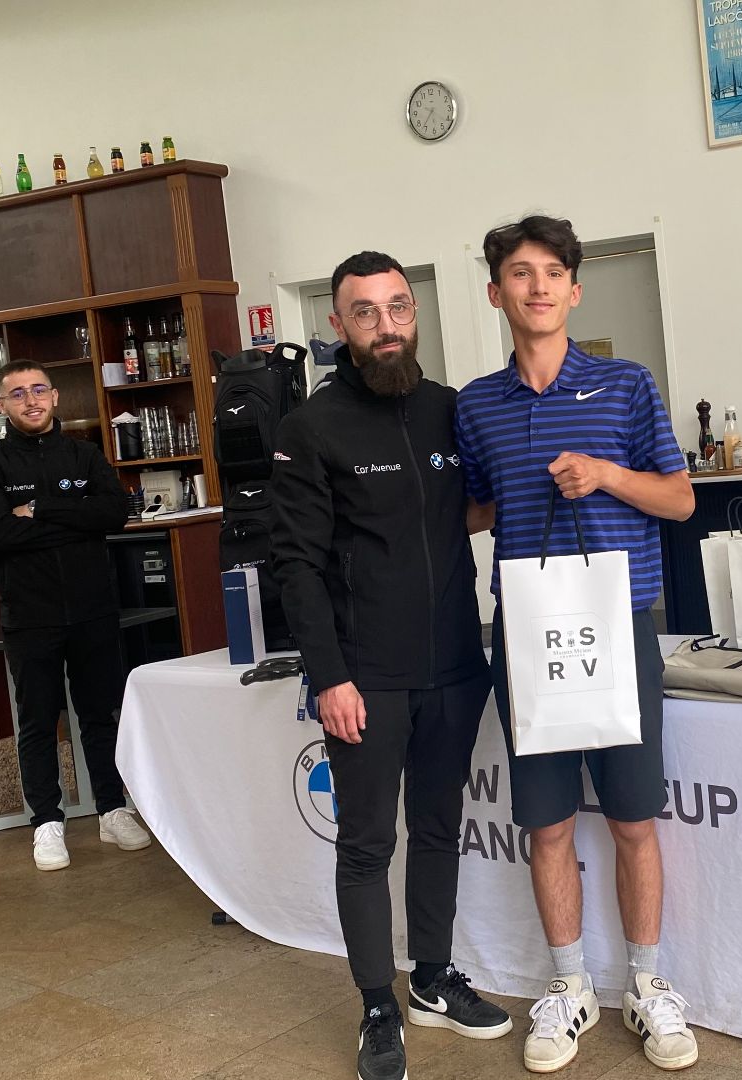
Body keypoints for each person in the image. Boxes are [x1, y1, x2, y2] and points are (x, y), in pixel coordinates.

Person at [455, 215, 700, 1074]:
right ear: (497, 293)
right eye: (521, 273)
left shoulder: (625, 385)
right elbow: (472, 509)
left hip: (617, 627)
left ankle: (648, 984)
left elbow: (679, 500)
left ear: (575, 289)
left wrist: (605, 476)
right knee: (547, 824)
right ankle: (568, 987)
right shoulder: (476, 405)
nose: (539, 287)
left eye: (553, 272)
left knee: (633, 819)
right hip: (526, 634)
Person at [271, 252, 512, 1080]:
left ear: (415, 314)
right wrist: (328, 676)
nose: (385, 326)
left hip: (455, 666)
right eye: (365, 312)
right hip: (365, 677)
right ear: (338, 325)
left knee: (440, 828)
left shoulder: (449, 409)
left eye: (398, 307)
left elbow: (461, 513)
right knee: (368, 844)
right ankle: (379, 1005)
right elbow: (296, 565)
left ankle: (433, 979)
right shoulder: (311, 427)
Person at [0, 360, 150, 871]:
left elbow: (113, 513)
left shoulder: (84, 454)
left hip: (92, 607)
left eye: (39, 390)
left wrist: (39, 510)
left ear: (54, 397)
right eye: (18, 393)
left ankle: (111, 809)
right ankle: (46, 822)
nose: (31, 400)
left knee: (99, 713)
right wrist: (75, 516)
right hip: (29, 613)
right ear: (1, 405)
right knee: (38, 721)